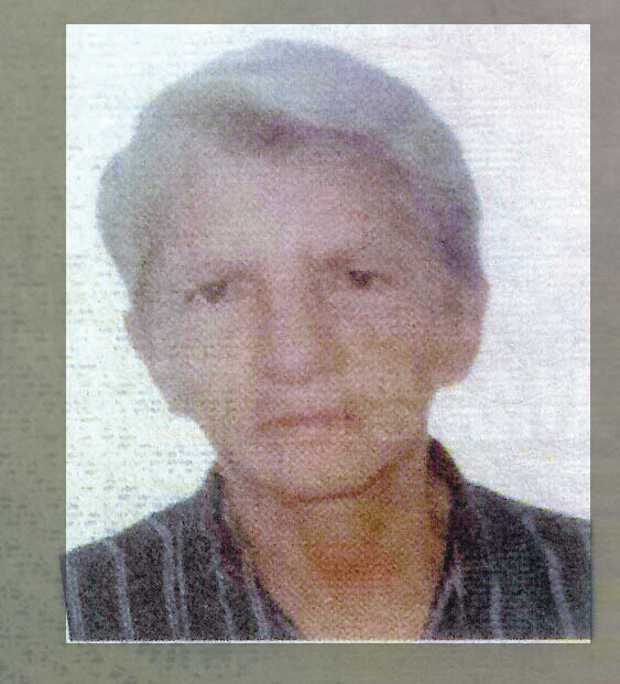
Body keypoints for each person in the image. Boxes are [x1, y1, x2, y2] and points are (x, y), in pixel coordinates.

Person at [62, 39, 591, 641]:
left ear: (460, 319)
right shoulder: (67, 617)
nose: (296, 356)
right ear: (155, 353)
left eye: (357, 279)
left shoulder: (589, 585)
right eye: (219, 291)